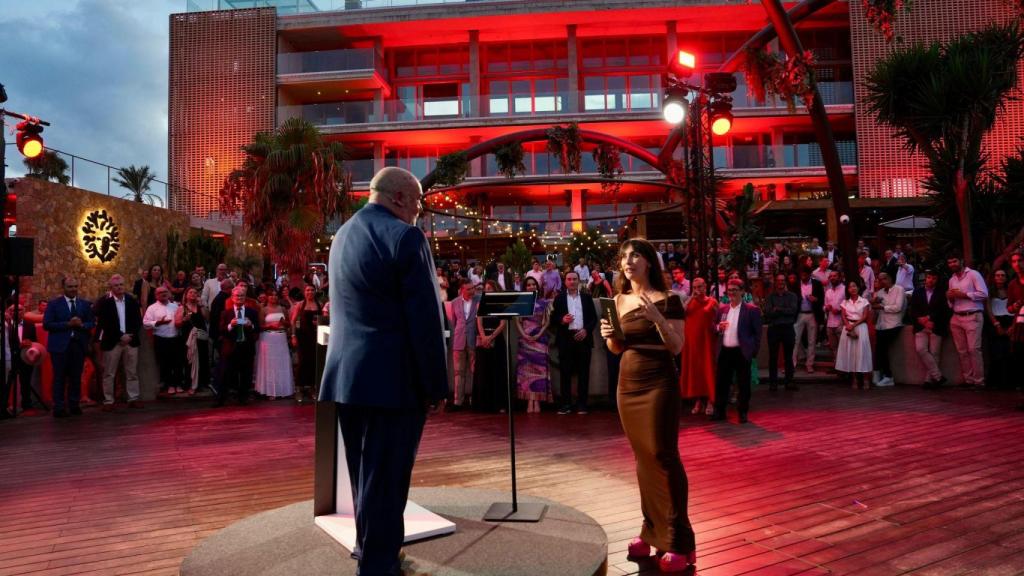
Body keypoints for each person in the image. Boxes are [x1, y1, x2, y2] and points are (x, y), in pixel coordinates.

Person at [319, 167, 447, 576]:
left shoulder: (342, 236)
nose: (419, 210)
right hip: (393, 382)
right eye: (417, 201)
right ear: (397, 198)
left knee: (364, 476)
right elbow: (425, 319)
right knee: (388, 480)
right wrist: (436, 385)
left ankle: (369, 548)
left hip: (345, 377)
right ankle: (378, 567)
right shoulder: (406, 238)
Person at [599, 238, 694, 572]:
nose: (628, 260)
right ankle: (651, 532)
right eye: (624, 256)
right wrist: (609, 334)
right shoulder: (617, 300)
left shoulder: (670, 299)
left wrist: (657, 317)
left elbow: (677, 346)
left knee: (663, 457)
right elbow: (615, 348)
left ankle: (680, 540)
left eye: (635, 255)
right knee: (642, 459)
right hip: (628, 384)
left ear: (650, 262)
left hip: (659, 383)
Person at [43, 276, 95, 418]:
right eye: (70, 287)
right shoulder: (54, 304)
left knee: (75, 377)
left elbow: (91, 323)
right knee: (59, 377)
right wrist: (68, 324)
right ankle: (58, 407)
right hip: (59, 347)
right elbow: (47, 324)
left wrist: (82, 325)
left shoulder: (84, 304)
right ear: (63, 288)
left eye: (75, 286)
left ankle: (74, 405)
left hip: (78, 345)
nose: (73, 289)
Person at [712, 279, 763, 423]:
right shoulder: (722, 309)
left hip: (741, 352)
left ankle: (742, 412)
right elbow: (713, 327)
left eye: (735, 289)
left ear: (742, 291)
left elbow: (757, 334)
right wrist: (717, 328)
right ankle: (719, 411)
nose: (732, 292)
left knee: (743, 384)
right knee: (721, 383)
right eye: (730, 290)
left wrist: (753, 352)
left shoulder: (751, 310)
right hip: (725, 352)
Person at [550, 271, 597, 414]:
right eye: (569, 279)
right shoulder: (558, 299)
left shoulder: (587, 298)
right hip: (566, 338)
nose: (572, 281)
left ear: (579, 281)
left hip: (583, 337)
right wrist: (562, 320)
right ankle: (566, 404)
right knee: (565, 372)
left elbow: (593, 318)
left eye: (574, 279)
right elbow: (553, 321)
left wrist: (586, 330)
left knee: (584, 372)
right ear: (565, 282)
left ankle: (582, 404)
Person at [95, 274, 144, 410]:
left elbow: (137, 320)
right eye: (116, 285)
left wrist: (130, 335)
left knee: (132, 372)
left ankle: (133, 398)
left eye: (121, 284)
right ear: (111, 287)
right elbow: (104, 323)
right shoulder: (105, 302)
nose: (119, 287)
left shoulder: (131, 300)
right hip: (112, 342)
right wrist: (120, 336)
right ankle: (108, 401)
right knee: (109, 373)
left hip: (131, 341)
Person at [946, 255, 988, 388]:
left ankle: (979, 381)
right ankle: (968, 380)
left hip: (973, 314)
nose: (952, 264)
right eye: (950, 262)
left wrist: (964, 295)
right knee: (962, 351)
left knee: (973, 349)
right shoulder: (952, 279)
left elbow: (984, 294)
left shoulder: (973, 274)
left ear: (961, 261)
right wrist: (950, 298)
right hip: (956, 316)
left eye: (954, 260)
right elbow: (951, 303)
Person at [679, 277, 718, 416]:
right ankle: (698, 401)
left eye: (700, 287)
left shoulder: (712, 301)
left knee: (707, 370)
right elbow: (680, 312)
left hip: (706, 343)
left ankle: (710, 401)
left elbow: (717, 320)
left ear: (705, 286)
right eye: (695, 287)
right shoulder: (689, 302)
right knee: (695, 372)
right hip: (692, 344)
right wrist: (690, 298)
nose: (698, 290)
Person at [217, 285, 260, 406]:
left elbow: (257, 328)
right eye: (237, 296)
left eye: (242, 296)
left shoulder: (252, 312)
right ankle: (221, 399)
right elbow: (221, 330)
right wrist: (230, 325)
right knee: (225, 373)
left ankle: (243, 398)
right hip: (230, 347)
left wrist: (250, 325)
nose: (239, 298)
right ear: (232, 297)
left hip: (246, 347)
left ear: (245, 297)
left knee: (246, 374)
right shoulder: (226, 313)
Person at [516, 276, 551, 413]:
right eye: (528, 285)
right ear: (525, 288)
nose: (531, 287)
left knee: (539, 372)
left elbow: (547, 322)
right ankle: (529, 402)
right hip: (525, 341)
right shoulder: (522, 302)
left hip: (540, 340)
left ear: (537, 286)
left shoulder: (544, 302)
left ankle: (537, 402)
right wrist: (524, 335)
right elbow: (518, 321)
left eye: (533, 285)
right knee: (526, 373)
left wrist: (539, 334)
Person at [473, 280, 509, 413]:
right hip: (483, 340)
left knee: (497, 371)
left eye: (490, 288)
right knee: (483, 372)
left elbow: (502, 324)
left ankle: (499, 404)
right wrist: (484, 337)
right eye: (486, 288)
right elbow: (479, 322)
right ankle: (483, 405)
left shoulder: (502, 304)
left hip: (497, 339)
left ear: (496, 289)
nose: (487, 290)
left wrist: (491, 337)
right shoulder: (480, 303)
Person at [911, 269, 950, 389]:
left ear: (937, 280)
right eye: (929, 277)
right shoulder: (917, 292)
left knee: (935, 353)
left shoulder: (942, 293)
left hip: (936, 325)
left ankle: (929, 380)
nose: (930, 280)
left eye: (933, 278)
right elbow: (912, 309)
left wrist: (930, 318)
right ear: (925, 278)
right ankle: (938, 376)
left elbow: (944, 310)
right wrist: (921, 320)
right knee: (921, 349)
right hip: (920, 326)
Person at [143, 286, 184, 395]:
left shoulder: (175, 306)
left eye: (165, 292)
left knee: (178, 363)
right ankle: (169, 384)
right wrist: (158, 322)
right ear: (156, 295)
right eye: (160, 292)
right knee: (165, 363)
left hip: (175, 338)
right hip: (161, 339)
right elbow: (145, 323)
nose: (164, 294)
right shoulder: (152, 308)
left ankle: (178, 384)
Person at [255, 285, 294, 399]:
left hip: (281, 338)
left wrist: (284, 324)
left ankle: (283, 389)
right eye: (271, 295)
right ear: (267, 297)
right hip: (268, 338)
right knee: (270, 364)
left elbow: (288, 324)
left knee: (281, 363)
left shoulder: (282, 309)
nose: (273, 297)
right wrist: (271, 325)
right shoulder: (263, 309)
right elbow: (260, 326)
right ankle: (271, 391)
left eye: (275, 295)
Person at [836, 279, 873, 390]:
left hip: (861, 327)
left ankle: (866, 379)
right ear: (847, 290)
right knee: (851, 354)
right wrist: (848, 326)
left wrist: (854, 325)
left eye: (855, 286)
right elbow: (843, 316)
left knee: (863, 353)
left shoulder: (864, 301)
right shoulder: (845, 302)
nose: (853, 288)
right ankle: (854, 379)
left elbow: (865, 316)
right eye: (851, 287)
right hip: (848, 328)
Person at [764, 274, 799, 392]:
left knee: (788, 357)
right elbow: (768, 313)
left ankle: (789, 381)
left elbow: (793, 311)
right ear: (775, 282)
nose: (780, 282)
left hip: (788, 328)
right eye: (778, 280)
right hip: (774, 329)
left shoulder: (792, 296)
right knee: (773, 357)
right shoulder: (770, 297)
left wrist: (778, 309)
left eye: (782, 280)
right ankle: (773, 383)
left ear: (785, 282)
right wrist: (784, 310)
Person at [3, 304, 38, 417]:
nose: (16, 312)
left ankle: (27, 404)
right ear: (9, 312)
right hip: (10, 358)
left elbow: (35, 342)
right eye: (13, 310)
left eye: (19, 310)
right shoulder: (6, 326)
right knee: (7, 382)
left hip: (25, 357)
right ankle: (4, 406)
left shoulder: (30, 325)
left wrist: (30, 343)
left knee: (26, 382)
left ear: (24, 311)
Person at [448, 279, 479, 409]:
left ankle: (474, 400)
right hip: (459, 340)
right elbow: (454, 322)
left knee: (475, 371)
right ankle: (457, 402)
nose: (472, 291)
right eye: (469, 289)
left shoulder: (479, 300)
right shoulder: (454, 302)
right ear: (462, 289)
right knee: (458, 373)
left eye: (473, 288)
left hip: (474, 340)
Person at [871, 272, 905, 387]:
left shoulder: (899, 289)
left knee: (882, 347)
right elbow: (875, 312)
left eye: (884, 279)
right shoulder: (879, 292)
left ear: (890, 279)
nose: (882, 282)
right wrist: (874, 304)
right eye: (879, 280)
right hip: (881, 325)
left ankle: (888, 376)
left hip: (894, 324)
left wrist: (882, 307)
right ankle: (877, 372)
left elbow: (898, 307)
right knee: (878, 348)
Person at [175, 287, 209, 396]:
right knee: (189, 361)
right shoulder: (182, 308)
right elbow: (177, 323)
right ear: (186, 295)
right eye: (191, 292)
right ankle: (190, 384)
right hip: (188, 339)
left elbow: (207, 318)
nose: (193, 294)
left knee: (202, 360)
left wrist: (202, 305)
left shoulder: (200, 307)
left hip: (201, 338)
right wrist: (184, 320)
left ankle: (200, 383)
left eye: (195, 292)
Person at [290, 284, 321, 403]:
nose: (310, 292)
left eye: (312, 290)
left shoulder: (319, 304)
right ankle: (299, 388)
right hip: (302, 336)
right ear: (304, 292)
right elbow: (293, 321)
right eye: (308, 290)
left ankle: (312, 388)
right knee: (302, 361)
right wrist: (293, 336)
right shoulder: (299, 305)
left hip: (315, 336)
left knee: (314, 361)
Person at [792, 267, 824, 374]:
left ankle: (809, 364)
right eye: (802, 274)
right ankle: (792, 363)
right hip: (799, 314)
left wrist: (816, 300)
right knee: (795, 339)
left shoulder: (817, 284)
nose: (803, 276)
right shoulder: (796, 284)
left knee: (812, 341)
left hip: (812, 314)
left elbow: (822, 299)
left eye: (805, 274)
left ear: (810, 274)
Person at [986, 269, 1014, 389]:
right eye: (997, 275)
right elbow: (988, 309)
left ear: (1006, 278)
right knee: (996, 353)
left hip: (1010, 321)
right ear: (994, 278)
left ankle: (1010, 382)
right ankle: (996, 383)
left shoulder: (1011, 291)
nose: (1000, 277)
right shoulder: (989, 292)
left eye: (1003, 275)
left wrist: (1012, 326)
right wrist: (996, 324)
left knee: (1010, 353)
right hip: (995, 322)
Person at [823, 270, 846, 367]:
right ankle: (837, 366)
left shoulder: (845, 289)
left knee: (843, 347)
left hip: (841, 322)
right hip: (830, 323)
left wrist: (840, 310)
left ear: (840, 277)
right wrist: (826, 308)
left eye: (835, 276)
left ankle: (844, 368)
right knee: (834, 347)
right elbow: (824, 306)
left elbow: (848, 305)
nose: (832, 278)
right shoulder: (828, 291)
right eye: (831, 276)